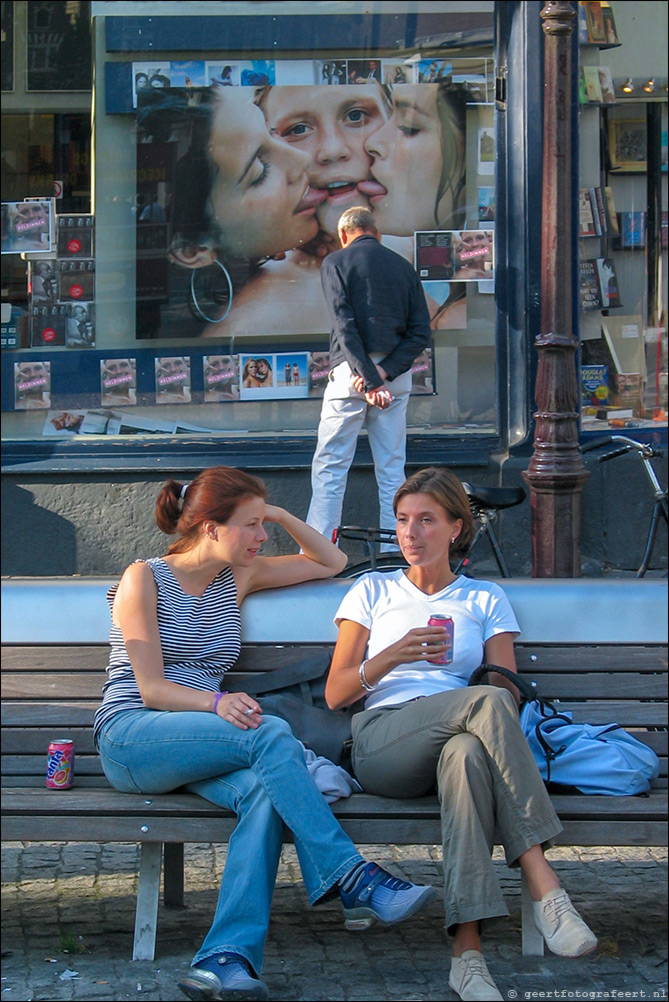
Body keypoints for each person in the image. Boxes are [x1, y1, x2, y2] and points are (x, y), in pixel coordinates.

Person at [93, 467, 436, 1001]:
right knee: (268, 731)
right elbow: (153, 689)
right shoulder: (144, 577)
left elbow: (332, 561)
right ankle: (352, 876)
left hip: (202, 740)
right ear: (209, 527)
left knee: (262, 794)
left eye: (263, 525)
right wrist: (217, 701)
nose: (262, 537)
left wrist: (274, 509)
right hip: (135, 735)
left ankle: (223, 960)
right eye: (251, 525)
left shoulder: (239, 577)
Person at [325, 467, 598, 1001]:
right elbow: (337, 694)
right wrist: (393, 655)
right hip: (384, 742)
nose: (410, 533)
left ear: (455, 528)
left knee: (469, 753)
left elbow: (505, 687)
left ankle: (467, 959)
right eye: (403, 520)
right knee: (485, 707)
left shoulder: (484, 598)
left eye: (426, 520)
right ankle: (543, 881)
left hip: (461, 733)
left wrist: (462, 694)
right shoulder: (372, 590)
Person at [306, 205, 431, 546]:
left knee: (331, 466)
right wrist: (382, 373)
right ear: (375, 232)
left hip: (351, 374)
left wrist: (367, 376)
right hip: (393, 379)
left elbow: (344, 325)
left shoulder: (335, 262)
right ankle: (396, 550)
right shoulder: (404, 268)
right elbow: (421, 333)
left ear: (344, 236)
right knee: (392, 469)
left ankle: (320, 551)